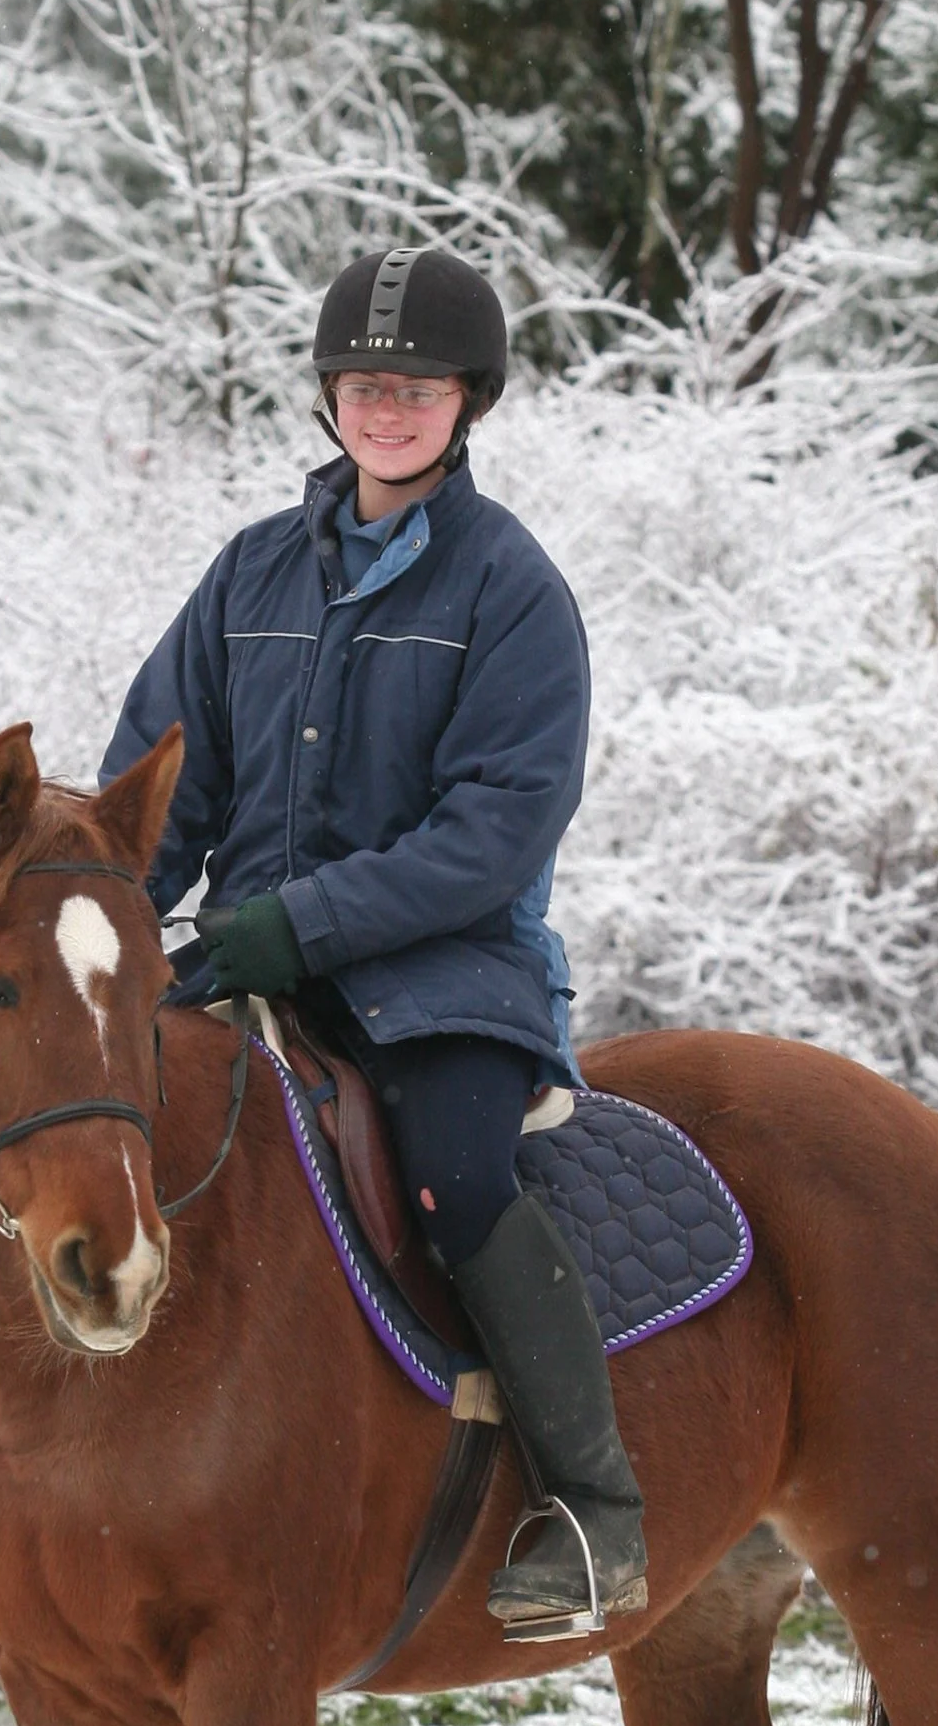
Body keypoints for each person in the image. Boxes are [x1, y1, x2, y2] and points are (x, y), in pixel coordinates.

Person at [98, 247, 648, 1638]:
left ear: (468, 401)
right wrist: (114, 914)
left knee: (455, 1184)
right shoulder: (251, 573)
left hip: (442, 982)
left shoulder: (511, 591)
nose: (385, 407)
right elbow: (163, 778)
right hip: (244, 961)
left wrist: (303, 923)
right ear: (330, 399)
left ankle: (595, 1510)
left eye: (415, 387)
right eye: (362, 383)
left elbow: (495, 836)